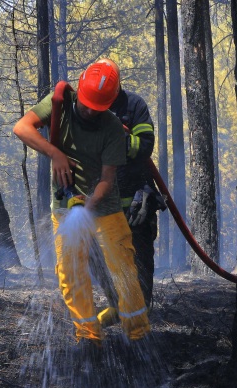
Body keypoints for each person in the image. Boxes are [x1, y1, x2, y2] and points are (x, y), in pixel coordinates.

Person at [12, 60, 150, 346]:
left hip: (105, 208)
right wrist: (55, 154)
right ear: (80, 88)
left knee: (123, 269)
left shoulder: (112, 127)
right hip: (63, 206)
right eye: (86, 104)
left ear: (110, 103)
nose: (89, 111)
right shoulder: (58, 103)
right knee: (70, 272)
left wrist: (87, 206)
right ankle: (88, 336)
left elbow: (107, 179)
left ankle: (138, 334)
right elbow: (22, 128)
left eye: (97, 108)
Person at [92, 58, 165, 327]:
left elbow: (145, 145)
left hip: (136, 203)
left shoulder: (134, 105)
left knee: (140, 260)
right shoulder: (88, 107)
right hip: (102, 204)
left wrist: (118, 139)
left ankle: (140, 315)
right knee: (95, 256)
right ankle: (117, 305)